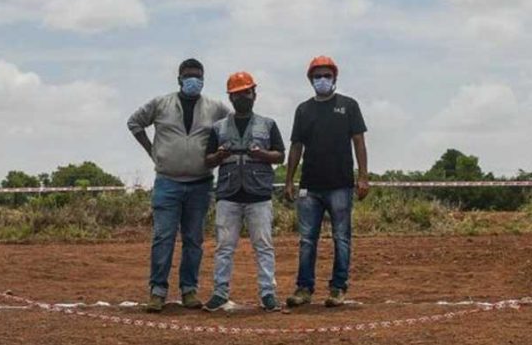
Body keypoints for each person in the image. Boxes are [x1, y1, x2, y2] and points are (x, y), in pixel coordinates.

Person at [127, 58, 230, 313]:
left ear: (204, 79)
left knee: (194, 239)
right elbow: (134, 122)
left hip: (201, 183)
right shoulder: (160, 104)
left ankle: (189, 290)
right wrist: (153, 151)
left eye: (197, 76)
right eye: (188, 76)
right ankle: (157, 291)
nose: (193, 80)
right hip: (167, 182)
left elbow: (234, 125)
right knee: (163, 237)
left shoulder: (216, 108)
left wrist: (219, 154)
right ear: (179, 79)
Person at [284, 56, 369, 309]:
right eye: (318, 76)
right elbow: (296, 147)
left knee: (341, 238)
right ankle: (304, 288)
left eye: (327, 75)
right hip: (310, 187)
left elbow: (359, 142)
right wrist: (289, 180)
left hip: (341, 185)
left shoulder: (349, 105)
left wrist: (363, 176)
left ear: (334, 78)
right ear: (311, 80)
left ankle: (338, 288)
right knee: (307, 240)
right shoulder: (303, 110)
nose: (322, 80)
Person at [202, 72, 285, 313]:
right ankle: (219, 293)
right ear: (230, 97)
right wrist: (218, 156)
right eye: (236, 95)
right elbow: (207, 161)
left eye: (246, 93)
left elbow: (280, 155)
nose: (242, 98)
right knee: (224, 247)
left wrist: (262, 155)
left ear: (254, 95)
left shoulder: (267, 125)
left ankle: (268, 294)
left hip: (258, 194)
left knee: (264, 246)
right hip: (228, 194)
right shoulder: (218, 127)